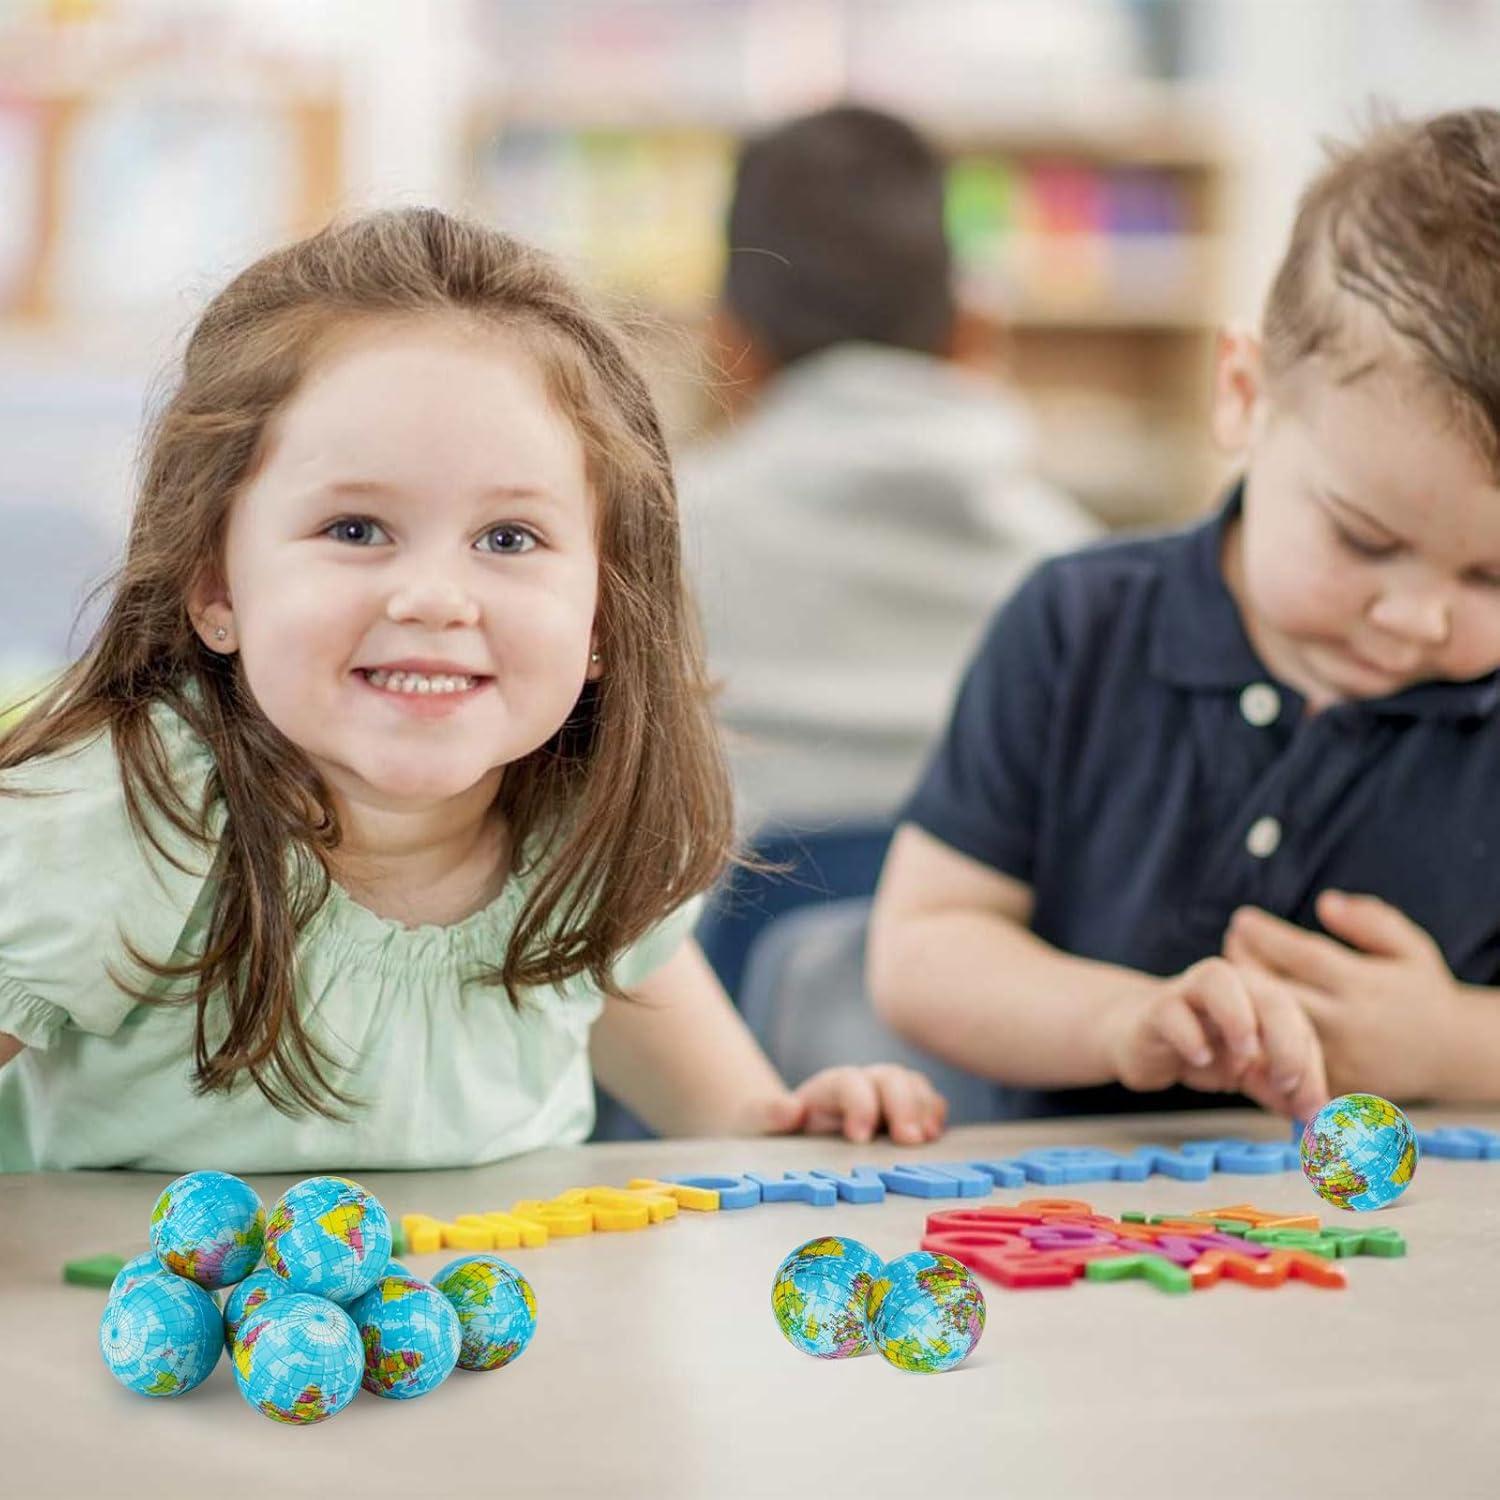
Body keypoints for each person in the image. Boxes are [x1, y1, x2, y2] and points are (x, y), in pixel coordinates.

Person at [0, 209, 946, 1172]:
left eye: (508, 539)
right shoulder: (120, 819)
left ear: (605, 620)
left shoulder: (578, 840)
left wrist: (815, 1123)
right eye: (357, 529)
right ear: (216, 586)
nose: (435, 599)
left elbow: (741, 1127)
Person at [868, 109, 1500, 1123]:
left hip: (1430, 1264)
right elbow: (924, 949)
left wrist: (1452, 1043)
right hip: (1067, 1246)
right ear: (1246, 396)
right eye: (1364, 540)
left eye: (1493, 579)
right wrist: (1123, 1019)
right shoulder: (1076, 629)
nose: (1419, 617)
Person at [680, 104, 1097, 833]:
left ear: (727, 345)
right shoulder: (1082, 579)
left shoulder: (649, 548)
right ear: (973, 330)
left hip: (714, 941)